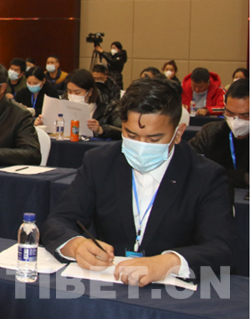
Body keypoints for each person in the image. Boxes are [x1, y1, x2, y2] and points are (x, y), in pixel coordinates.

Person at [42, 78, 237, 286]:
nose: (142, 146)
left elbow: (221, 249)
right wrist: (76, 245)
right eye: (131, 135)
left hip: (172, 292)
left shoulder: (206, 176)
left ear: (178, 133)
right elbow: (58, 220)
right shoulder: (100, 162)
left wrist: (169, 262)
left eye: (154, 139)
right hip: (109, 283)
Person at [190, 79, 248, 189]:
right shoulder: (210, 133)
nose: (236, 121)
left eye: (245, 116)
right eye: (230, 113)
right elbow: (188, 162)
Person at [35, 69, 122, 139]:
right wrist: (43, 124)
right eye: (69, 91)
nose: (72, 95)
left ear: (90, 92)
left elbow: (121, 131)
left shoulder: (108, 107)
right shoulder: (61, 104)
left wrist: (101, 130)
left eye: (77, 92)